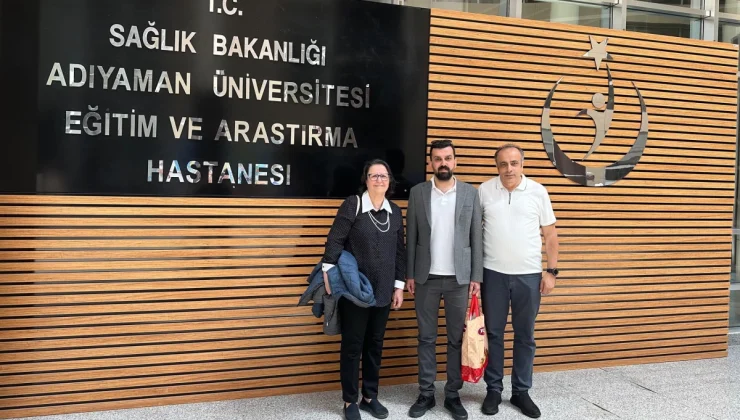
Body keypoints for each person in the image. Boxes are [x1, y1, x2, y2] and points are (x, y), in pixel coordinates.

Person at [478, 143, 559, 419]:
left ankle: (521, 391)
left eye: (514, 163)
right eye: (503, 164)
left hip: (529, 275)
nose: (508, 169)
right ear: (497, 166)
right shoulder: (485, 190)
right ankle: (493, 389)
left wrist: (551, 271)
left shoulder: (538, 191)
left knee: (525, 335)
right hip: (493, 274)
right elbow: (474, 232)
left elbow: (550, 235)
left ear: (522, 164)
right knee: (494, 334)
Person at [321, 159, 406, 420]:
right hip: (355, 290)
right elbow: (335, 239)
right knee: (352, 345)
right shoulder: (353, 204)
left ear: (390, 181)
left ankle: (370, 397)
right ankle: (350, 401)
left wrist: (399, 286)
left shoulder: (394, 211)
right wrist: (327, 274)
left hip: (384, 290)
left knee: (375, 344)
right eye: (374, 175)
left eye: (384, 175)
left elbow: (399, 251)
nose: (379, 179)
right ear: (366, 180)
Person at [405, 139, 483, 420]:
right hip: (425, 277)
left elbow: (476, 237)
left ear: (455, 161)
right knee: (426, 338)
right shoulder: (418, 192)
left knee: (455, 339)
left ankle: (452, 394)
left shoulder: (470, 193)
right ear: (430, 163)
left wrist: (476, 276)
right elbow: (411, 235)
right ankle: (426, 393)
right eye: (437, 159)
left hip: (458, 279)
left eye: (447, 158)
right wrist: (410, 273)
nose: (443, 163)